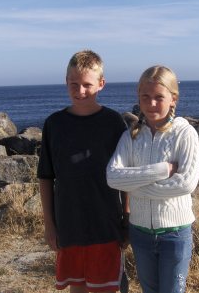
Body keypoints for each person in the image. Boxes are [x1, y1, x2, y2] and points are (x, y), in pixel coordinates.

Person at [38, 50, 129, 293]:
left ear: (101, 84)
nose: (80, 91)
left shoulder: (113, 123)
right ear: (66, 82)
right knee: (76, 287)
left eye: (87, 85)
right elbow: (46, 177)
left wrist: (127, 218)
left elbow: (126, 175)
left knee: (106, 287)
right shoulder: (54, 124)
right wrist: (49, 224)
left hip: (106, 224)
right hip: (68, 224)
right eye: (74, 84)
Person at [106, 65, 199, 293]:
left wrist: (135, 185)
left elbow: (186, 183)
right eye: (145, 97)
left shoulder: (185, 133)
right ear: (138, 98)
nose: (151, 104)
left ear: (173, 98)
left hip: (175, 233)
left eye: (159, 97)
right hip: (140, 232)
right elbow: (112, 177)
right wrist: (163, 169)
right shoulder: (130, 136)